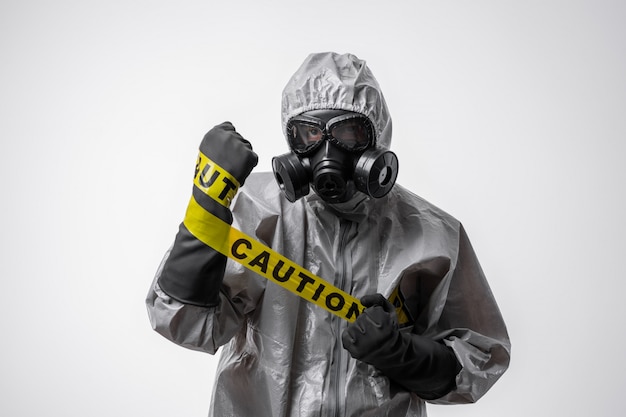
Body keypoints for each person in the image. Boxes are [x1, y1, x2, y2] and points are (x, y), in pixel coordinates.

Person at [146, 52, 510, 417]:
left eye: (349, 133)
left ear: (376, 136)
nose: (327, 151)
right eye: (309, 134)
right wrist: (208, 205)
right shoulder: (256, 210)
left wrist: (404, 355)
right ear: (292, 139)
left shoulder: (431, 234)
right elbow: (185, 324)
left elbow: (479, 363)